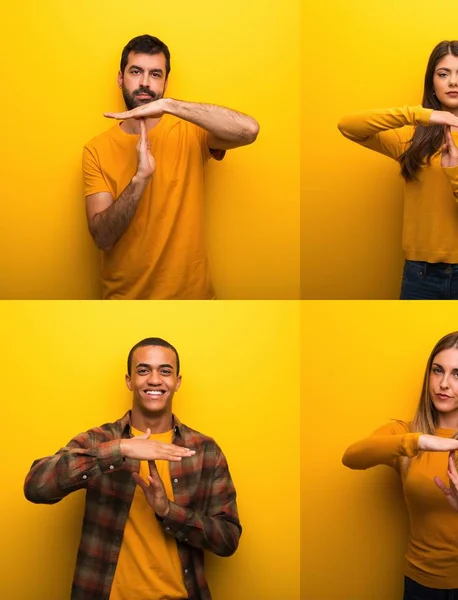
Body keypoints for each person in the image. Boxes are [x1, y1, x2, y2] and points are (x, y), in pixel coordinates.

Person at [24, 337, 240, 600]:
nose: (154, 380)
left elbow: (228, 540)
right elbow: (36, 486)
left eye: (165, 371)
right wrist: (119, 450)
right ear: (129, 380)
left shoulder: (205, 450)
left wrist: (167, 511)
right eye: (143, 370)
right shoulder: (99, 440)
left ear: (177, 382)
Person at [342, 331, 458, 599]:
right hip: (421, 585)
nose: (444, 383)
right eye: (438, 371)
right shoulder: (404, 435)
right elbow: (351, 457)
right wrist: (420, 441)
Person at [83, 34, 260, 300]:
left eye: (155, 74)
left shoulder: (191, 131)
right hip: (125, 301)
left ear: (166, 81)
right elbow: (103, 238)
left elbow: (248, 130)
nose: (145, 83)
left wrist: (168, 105)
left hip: (195, 299)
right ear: (121, 78)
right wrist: (139, 180)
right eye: (136, 72)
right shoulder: (95, 149)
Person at [338, 41, 458, 300]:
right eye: (443, 74)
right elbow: (348, 126)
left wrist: (455, 175)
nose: (453, 81)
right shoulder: (411, 138)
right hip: (420, 276)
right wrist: (420, 115)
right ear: (432, 83)